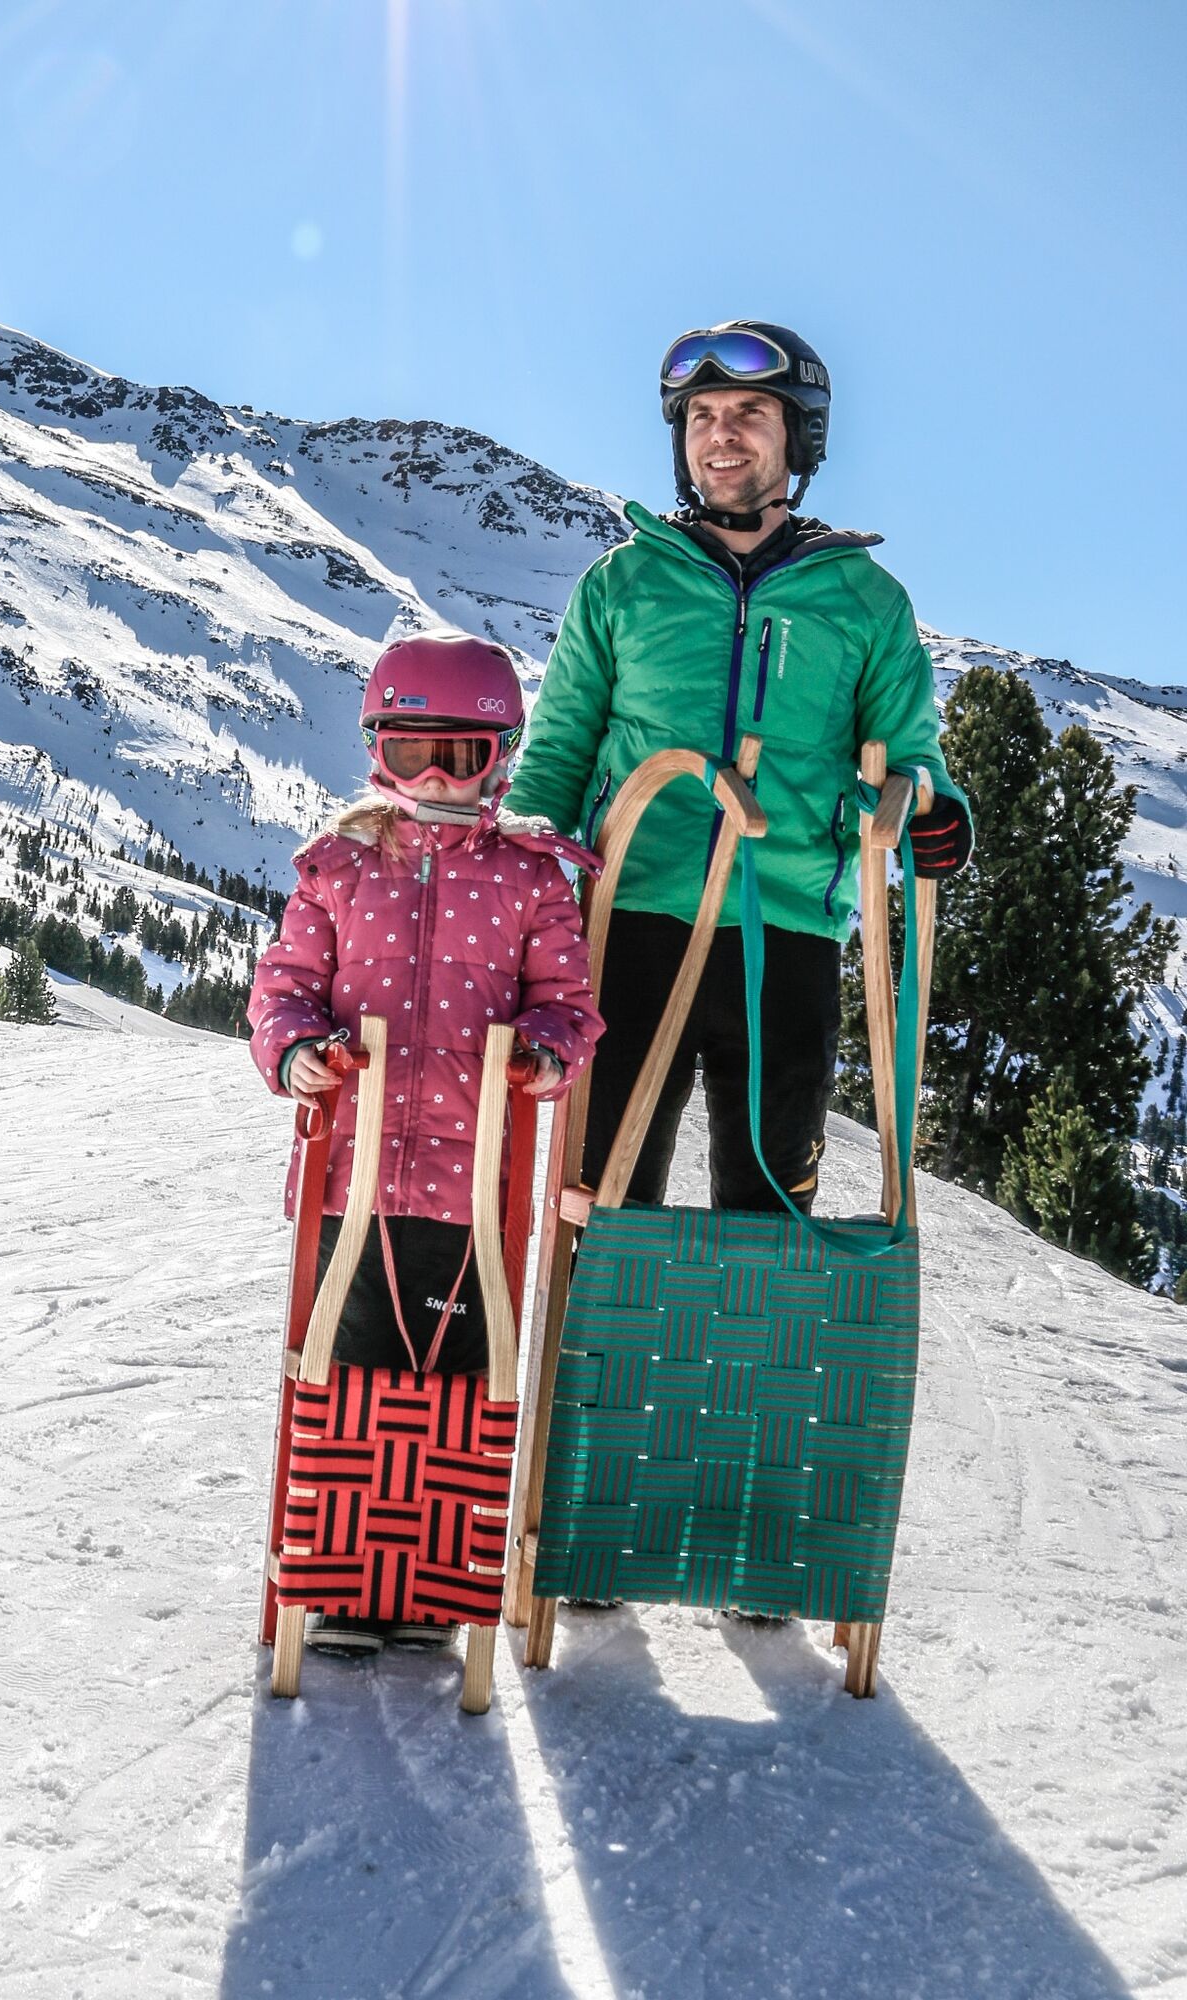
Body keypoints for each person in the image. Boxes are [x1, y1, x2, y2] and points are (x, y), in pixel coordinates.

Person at [505, 321, 974, 1213]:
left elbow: (909, 750)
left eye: (750, 412)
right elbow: (559, 751)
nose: (720, 434)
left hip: (787, 927)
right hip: (628, 920)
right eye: (701, 415)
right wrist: (521, 857)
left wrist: (928, 806)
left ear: (799, 436)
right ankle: (602, 1311)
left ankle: (757, 1311)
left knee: (769, 1206)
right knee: (606, 1199)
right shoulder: (622, 584)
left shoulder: (865, 601)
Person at [248, 631, 603, 1657]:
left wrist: (543, 1048)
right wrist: (294, 1051)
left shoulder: (530, 879)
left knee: (453, 1382)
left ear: (500, 757)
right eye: (414, 755)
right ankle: (342, 1577)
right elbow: (282, 987)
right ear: (379, 753)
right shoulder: (339, 865)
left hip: (472, 1189)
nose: (438, 779)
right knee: (346, 1373)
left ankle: (431, 1580)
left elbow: (567, 1001)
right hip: (349, 1178)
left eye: (460, 755)